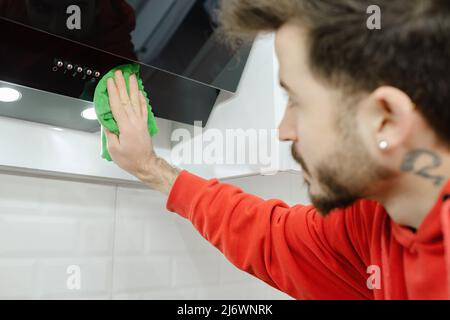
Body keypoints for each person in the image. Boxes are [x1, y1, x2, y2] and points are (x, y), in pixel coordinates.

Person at [102, 0, 450, 299]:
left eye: (296, 100)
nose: (283, 131)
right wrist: (151, 167)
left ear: (386, 121)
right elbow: (272, 238)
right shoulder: (376, 223)